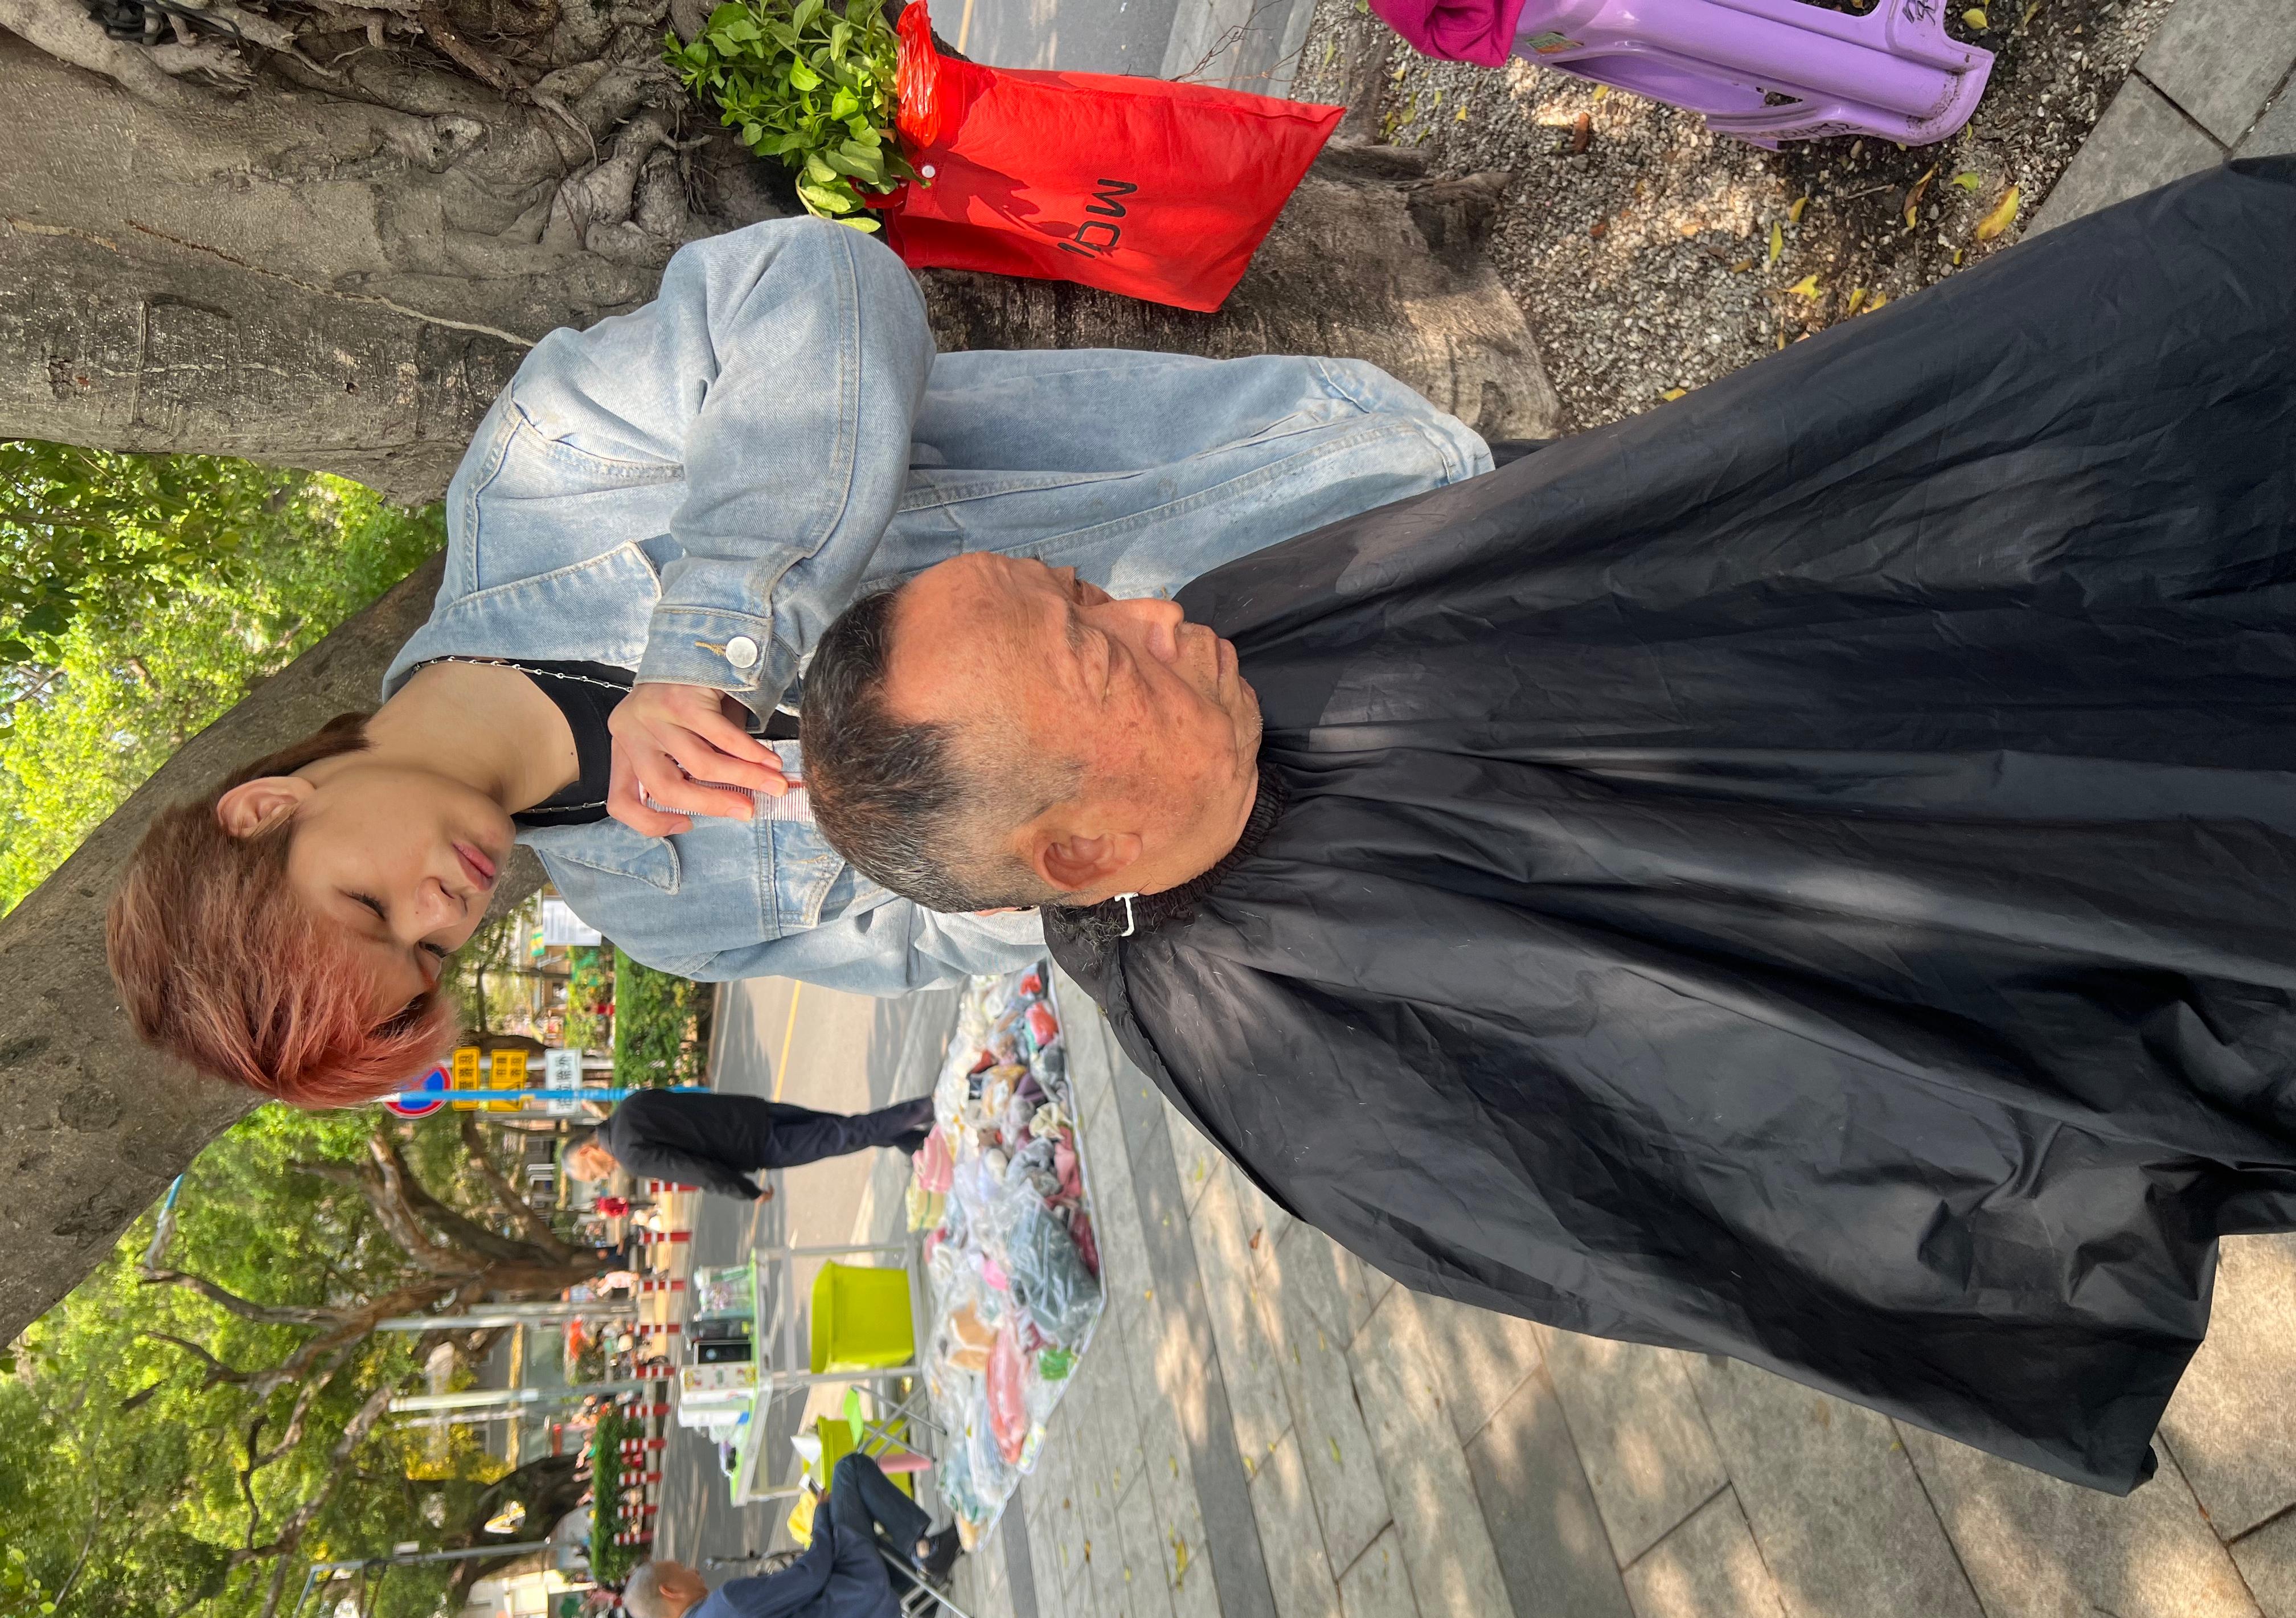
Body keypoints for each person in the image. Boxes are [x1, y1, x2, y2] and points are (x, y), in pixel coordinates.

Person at [798, 159, 2296, 1496]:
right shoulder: (1318, 1071)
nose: (1154, 613)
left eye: (1084, 588)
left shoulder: (1242, 628)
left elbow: (1656, 528)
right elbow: (1817, 1161)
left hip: (1930, 645)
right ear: (1078, 858)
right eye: (1102, 655)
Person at [102, 214, 1489, 1109]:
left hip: (1351, 519)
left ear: (267, 806)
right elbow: (934, 940)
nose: (441, 909)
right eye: (426, 959)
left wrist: (712, 639)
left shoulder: (545, 481)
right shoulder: (662, 916)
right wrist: (1033, 851)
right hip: (1369, 759)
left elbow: (819, 278)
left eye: (367, 905)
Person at [621, 1454, 959, 1618]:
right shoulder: (724, 1606)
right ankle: (925, 1553)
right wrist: (820, 1516)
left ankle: (918, 1593)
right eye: (682, 1569)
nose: (693, 1570)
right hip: (853, 1599)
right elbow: (812, 1573)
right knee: (848, 1470)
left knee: (847, 1537)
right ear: (669, 1591)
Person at [568, 1087, 936, 1201]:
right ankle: (918, 1143)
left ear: (588, 1151)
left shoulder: (631, 1155)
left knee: (846, 1134)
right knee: (843, 1128)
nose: (602, 1177)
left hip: (756, 1146)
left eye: (593, 1174)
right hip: (751, 1112)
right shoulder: (630, 1106)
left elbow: (697, 1172)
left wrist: (748, 1192)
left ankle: (931, 1105)